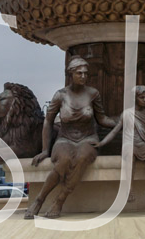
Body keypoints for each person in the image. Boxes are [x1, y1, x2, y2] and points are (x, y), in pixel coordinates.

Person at [23, 56, 116, 219]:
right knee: (64, 160)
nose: (83, 76)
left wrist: (120, 122)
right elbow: (48, 122)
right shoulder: (60, 95)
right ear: (71, 74)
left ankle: (60, 200)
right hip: (65, 138)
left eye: (86, 73)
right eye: (79, 73)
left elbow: (102, 119)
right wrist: (45, 150)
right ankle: (39, 200)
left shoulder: (93, 94)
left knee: (81, 158)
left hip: (88, 138)